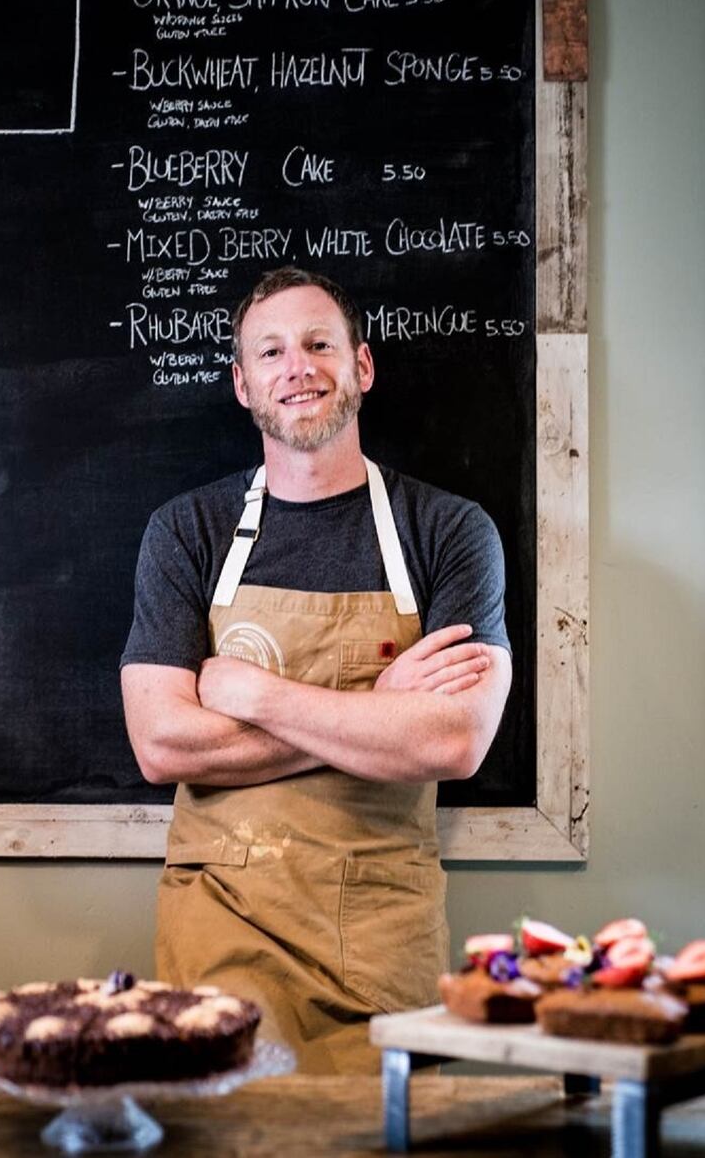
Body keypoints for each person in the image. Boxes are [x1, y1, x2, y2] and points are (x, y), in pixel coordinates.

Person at [120, 267, 512, 1073]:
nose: (297, 366)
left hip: (383, 928)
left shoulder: (449, 530)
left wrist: (255, 694)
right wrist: (378, 708)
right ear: (242, 383)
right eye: (271, 351)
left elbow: (455, 740)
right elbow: (163, 744)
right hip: (223, 916)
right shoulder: (186, 530)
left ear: (361, 366)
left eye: (318, 343)